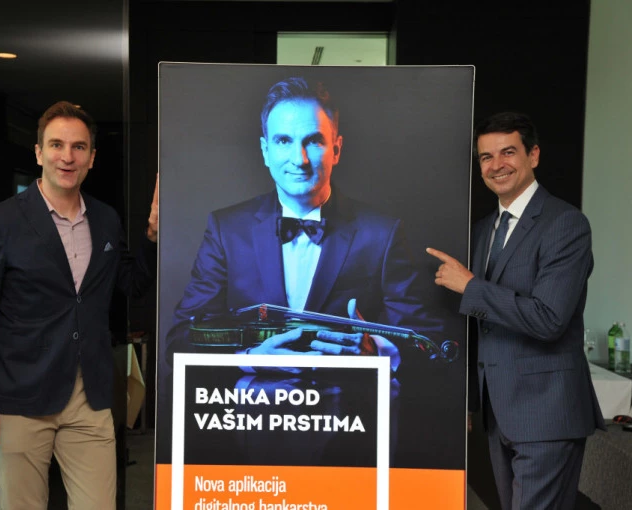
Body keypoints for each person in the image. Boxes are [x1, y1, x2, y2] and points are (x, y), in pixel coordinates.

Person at [162, 77, 450, 466]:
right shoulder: (226, 228)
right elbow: (181, 339)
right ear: (265, 150)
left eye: (313, 141)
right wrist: (250, 357)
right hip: (250, 439)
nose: (298, 159)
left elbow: (426, 343)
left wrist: (378, 352)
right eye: (283, 141)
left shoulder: (381, 232)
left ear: (336, 149)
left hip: (350, 442)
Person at [0, 101, 159, 509]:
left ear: (92, 158)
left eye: (79, 147)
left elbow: (131, 283)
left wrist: (152, 237)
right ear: (39, 153)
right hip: (20, 399)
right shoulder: (0, 222)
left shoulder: (105, 219)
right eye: (56, 145)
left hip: (89, 397)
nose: (67, 156)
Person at [427, 111, 604, 510]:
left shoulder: (566, 224)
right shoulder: (483, 229)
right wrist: (470, 400)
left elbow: (548, 319)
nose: (496, 165)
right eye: (486, 157)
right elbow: (482, 328)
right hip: (498, 416)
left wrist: (470, 287)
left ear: (533, 155)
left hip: (547, 414)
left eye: (508, 152)